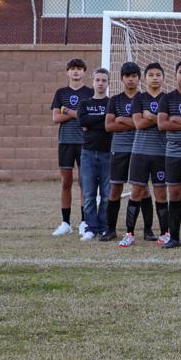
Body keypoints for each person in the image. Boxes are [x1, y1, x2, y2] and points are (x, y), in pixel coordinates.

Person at [119, 63, 167, 247]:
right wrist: (157, 120)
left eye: (158, 74)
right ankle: (129, 233)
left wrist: (152, 117)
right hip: (140, 152)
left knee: (161, 193)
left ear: (163, 78)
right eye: (151, 75)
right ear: (145, 79)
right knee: (136, 191)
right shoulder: (139, 99)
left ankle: (165, 233)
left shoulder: (167, 99)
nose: (155, 77)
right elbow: (138, 124)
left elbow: (165, 123)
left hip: (161, 153)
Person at [50, 58, 93, 236]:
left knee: (85, 183)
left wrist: (66, 110)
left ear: (84, 72)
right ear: (67, 72)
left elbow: (88, 118)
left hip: (85, 142)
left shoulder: (90, 92)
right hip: (65, 142)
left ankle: (84, 221)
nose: (76, 72)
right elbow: (55, 118)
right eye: (72, 69)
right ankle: (66, 223)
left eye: (79, 69)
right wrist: (77, 114)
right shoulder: (61, 92)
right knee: (66, 182)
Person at [157, 59, 181, 249]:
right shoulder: (167, 98)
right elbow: (162, 124)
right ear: (176, 75)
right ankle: (174, 237)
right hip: (173, 153)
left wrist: (176, 119)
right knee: (175, 194)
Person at [102, 61, 141, 241]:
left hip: (140, 148)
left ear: (139, 78)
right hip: (119, 149)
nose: (131, 79)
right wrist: (131, 122)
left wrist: (121, 119)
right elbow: (109, 126)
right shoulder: (115, 100)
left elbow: (143, 125)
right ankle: (110, 230)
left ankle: (147, 230)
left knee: (141, 189)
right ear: (122, 79)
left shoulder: (144, 99)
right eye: (127, 76)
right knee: (115, 188)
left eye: (134, 76)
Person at [77, 68, 112, 240]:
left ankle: (105, 226)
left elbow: (109, 125)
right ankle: (91, 227)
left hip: (107, 154)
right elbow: (83, 121)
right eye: (97, 80)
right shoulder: (84, 103)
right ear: (93, 82)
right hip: (88, 153)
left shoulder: (111, 103)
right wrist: (102, 118)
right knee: (89, 194)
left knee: (106, 194)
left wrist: (94, 122)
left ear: (108, 83)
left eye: (104, 80)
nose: (100, 83)